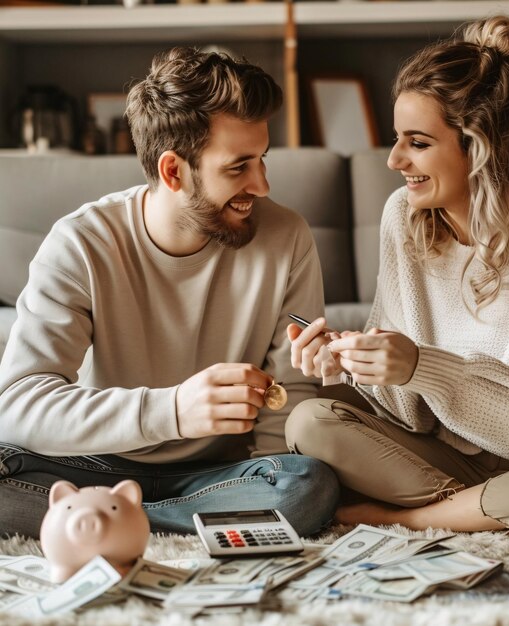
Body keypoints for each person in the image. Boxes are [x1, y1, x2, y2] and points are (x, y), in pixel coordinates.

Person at [286, 16, 509, 552]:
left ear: (482, 146)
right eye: (397, 141)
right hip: (443, 456)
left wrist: (422, 365)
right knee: (310, 421)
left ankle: (419, 519)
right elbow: (409, 413)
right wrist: (357, 366)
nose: (395, 161)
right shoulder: (403, 216)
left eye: (417, 143)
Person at [0, 47, 339, 538]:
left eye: (262, 160)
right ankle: (140, 521)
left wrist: (275, 483)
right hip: (91, 469)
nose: (262, 185)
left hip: (214, 479)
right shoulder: (81, 242)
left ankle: (107, 526)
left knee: (307, 485)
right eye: (239, 166)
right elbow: (18, 404)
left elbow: (287, 401)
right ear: (173, 171)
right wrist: (173, 411)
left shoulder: (287, 237)